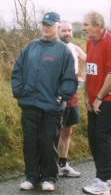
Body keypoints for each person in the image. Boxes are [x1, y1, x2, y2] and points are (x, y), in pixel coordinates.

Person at [11, 12, 78, 191]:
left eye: (49, 24)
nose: (45, 27)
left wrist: (60, 96)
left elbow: (70, 78)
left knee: (48, 142)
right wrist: (19, 91)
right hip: (29, 104)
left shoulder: (63, 51)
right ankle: (32, 177)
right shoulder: (30, 48)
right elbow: (17, 70)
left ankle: (49, 177)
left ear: (57, 27)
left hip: (51, 107)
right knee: (30, 142)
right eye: (43, 24)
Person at [81, 11, 111, 195]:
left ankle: (103, 181)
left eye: (86, 25)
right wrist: (86, 96)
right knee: (93, 137)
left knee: (102, 137)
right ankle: (103, 175)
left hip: (107, 100)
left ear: (97, 25)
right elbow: (89, 70)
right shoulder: (89, 42)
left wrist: (99, 97)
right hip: (92, 101)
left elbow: (110, 75)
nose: (83, 28)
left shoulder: (109, 42)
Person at [58, 21, 86, 177]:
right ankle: (48, 166)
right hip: (55, 93)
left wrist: (83, 77)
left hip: (72, 93)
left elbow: (90, 61)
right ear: (58, 31)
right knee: (53, 130)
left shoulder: (75, 48)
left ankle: (63, 165)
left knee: (67, 131)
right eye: (64, 31)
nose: (67, 33)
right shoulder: (53, 47)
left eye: (69, 30)